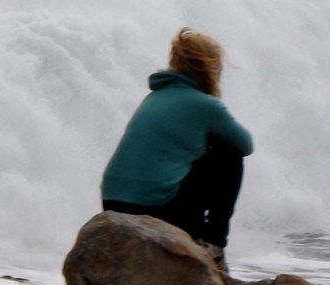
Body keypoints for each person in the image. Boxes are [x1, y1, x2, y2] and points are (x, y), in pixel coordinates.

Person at [100, 27, 253, 272]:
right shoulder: (204, 105)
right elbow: (246, 145)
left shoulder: (154, 97)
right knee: (229, 154)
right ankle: (213, 245)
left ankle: (200, 239)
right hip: (154, 207)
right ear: (210, 68)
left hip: (113, 203)